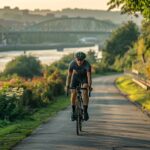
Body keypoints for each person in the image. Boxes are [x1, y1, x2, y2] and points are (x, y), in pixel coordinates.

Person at [66, 51, 92, 121]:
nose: (80, 61)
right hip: (75, 78)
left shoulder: (87, 65)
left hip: (84, 78)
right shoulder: (72, 64)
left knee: (84, 91)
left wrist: (89, 86)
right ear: (75, 59)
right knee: (73, 92)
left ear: (84, 59)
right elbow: (69, 76)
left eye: (81, 60)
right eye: (78, 60)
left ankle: (85, 111)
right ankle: (73, 111)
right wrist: (67, 85)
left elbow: (89, 76)